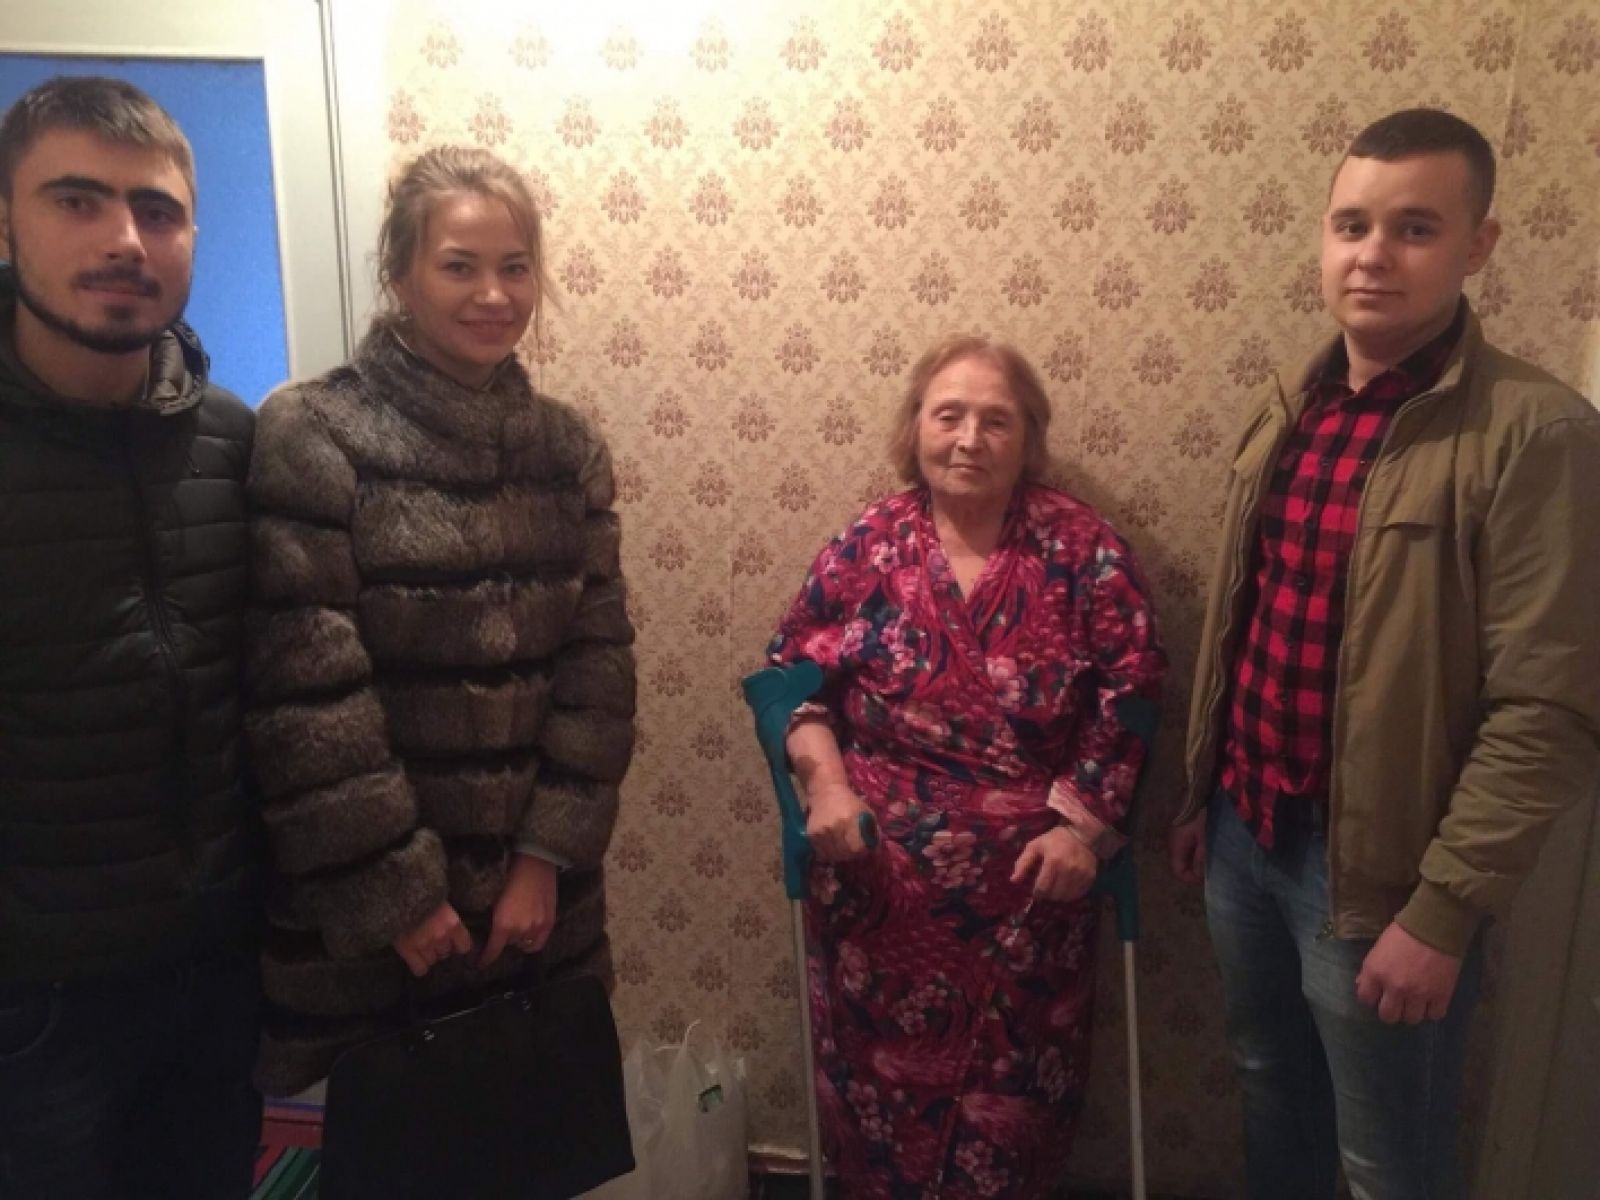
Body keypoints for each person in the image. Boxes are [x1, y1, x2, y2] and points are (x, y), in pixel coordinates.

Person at [1168, 108, 1600, 1200]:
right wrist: (1205, 800)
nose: (1371, 255)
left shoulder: (1535, 433)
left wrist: (1441, 912)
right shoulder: (1293, 406)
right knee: (1270, 1095)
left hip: (1384, 881)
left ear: (1477, 246)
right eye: (1351, 225)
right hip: (1246, 836)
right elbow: (1248, 624)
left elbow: (1547, 709)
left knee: (1386, 1164)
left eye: (1414, 228)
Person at [246, 146, 634, 1095]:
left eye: (515, 267)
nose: (494, 294)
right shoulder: (315, 432)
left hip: (535, 911)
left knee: (532, 1138)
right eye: (460, 265)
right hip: (373, 921)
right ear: (400, 273)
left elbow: (597, 670)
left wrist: (545, 857)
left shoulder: (568, 449)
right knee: (383, 1146)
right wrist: (399, 895)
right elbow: (307, 691)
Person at [767, 335, 1166, 1198]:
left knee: (1010, 1124)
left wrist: (1083, 830)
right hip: (875, 882)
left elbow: (1132, 698)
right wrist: (826, 786)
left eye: (997, 420)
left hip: (1032, 892)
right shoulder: (868, 544)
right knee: (879, 1124)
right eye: (949, 415)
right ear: (915, 427)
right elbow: (791, 687)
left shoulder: (1085, 549)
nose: (969, 439)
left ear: (1030, 437)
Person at [0, 77, 262, 1199]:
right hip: (36, 1003)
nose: (123, 240)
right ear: (5, 223)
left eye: (157, 210)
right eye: (77, 200)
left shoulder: (235, 441)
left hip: (215, 975)